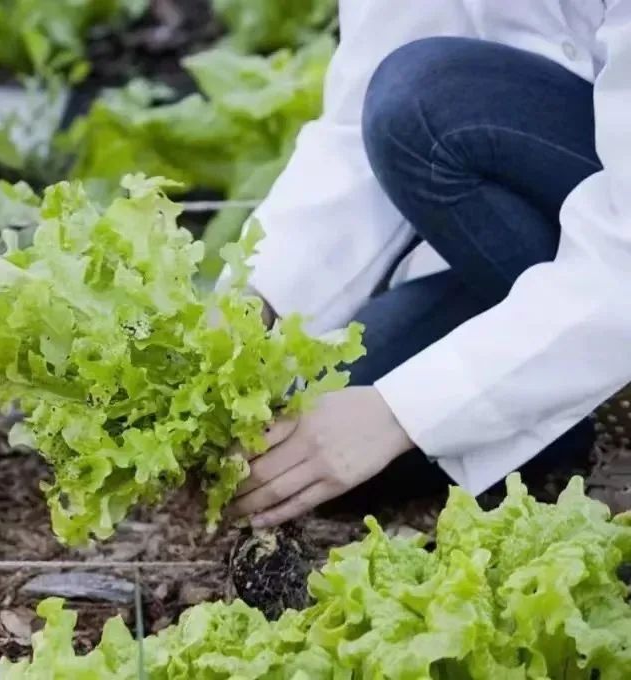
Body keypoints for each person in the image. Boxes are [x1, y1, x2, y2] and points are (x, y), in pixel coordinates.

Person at [226, 1, 629, 529]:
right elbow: (355, 129)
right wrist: (254, 301)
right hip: (557, 223)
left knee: (422, 96)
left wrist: (401, 414)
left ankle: (594, 393)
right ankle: (580, 400)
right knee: (316, 435)